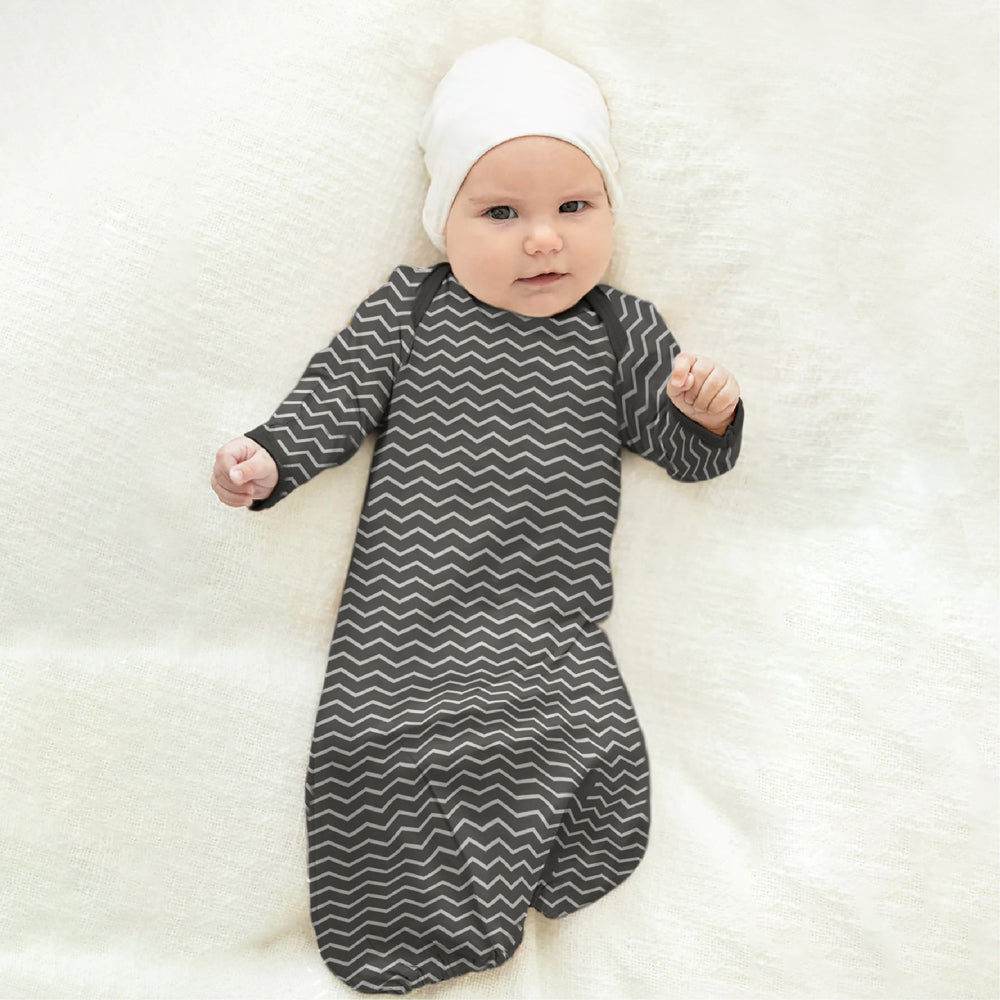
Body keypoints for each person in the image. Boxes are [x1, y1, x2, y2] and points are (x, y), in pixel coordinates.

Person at [211, 38, 743, 997]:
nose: (543, 241)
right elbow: (336, 393)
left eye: (574, 208)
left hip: (547, 616)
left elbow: (686, 455)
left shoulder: (619, 330)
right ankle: (405, 919)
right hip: (406, 613)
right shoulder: (414, 311)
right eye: (501, 213)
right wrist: (272, 456)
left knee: (571, 727)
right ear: (443, 221)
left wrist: (706, 416)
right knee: (381, 743)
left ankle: (533, 850)